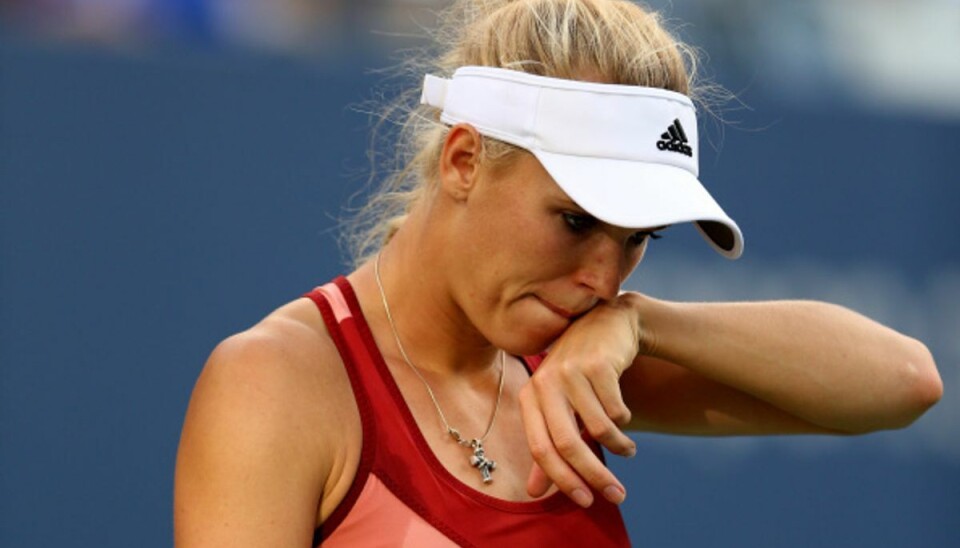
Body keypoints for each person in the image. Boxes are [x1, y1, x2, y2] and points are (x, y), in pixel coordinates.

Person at [173, 0, 943, 546]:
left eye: (637, 238)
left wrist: (643, 323)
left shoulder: (579, 356)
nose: (602, 280)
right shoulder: (276, 383)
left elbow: (905, 381)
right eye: (575, 222)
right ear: (465, 159)